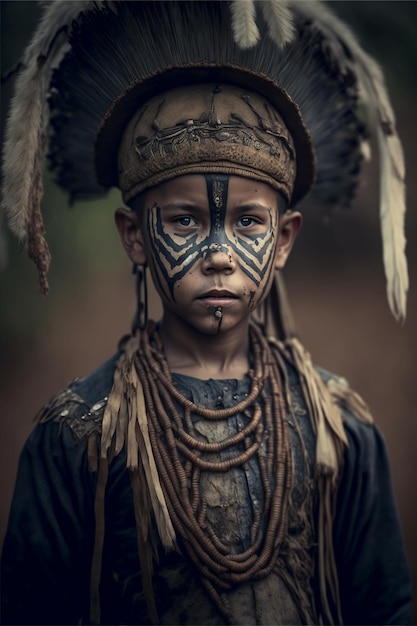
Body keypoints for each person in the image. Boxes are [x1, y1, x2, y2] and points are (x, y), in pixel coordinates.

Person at [0, 1, 412, 625]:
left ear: (284, 238)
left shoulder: (340, 434)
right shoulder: (78, 438)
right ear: (134, 235)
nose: (218, 254)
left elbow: (387, 608)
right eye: (186, 220)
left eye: (247, 221)